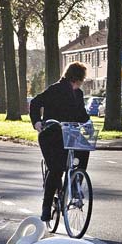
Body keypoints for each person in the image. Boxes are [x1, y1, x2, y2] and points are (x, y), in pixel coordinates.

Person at [29, 62, 91, 221]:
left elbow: (82, 114)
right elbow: (35, 102)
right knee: (56, 169)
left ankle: (76, 182)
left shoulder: (78, 94)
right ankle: (46, 206)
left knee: (84, 149)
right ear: (75, 78)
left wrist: (88, 124)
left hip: (70, 133)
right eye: (81, 80)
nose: (81, 84)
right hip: (51, 134)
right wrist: (36, 122)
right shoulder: (55, 89)